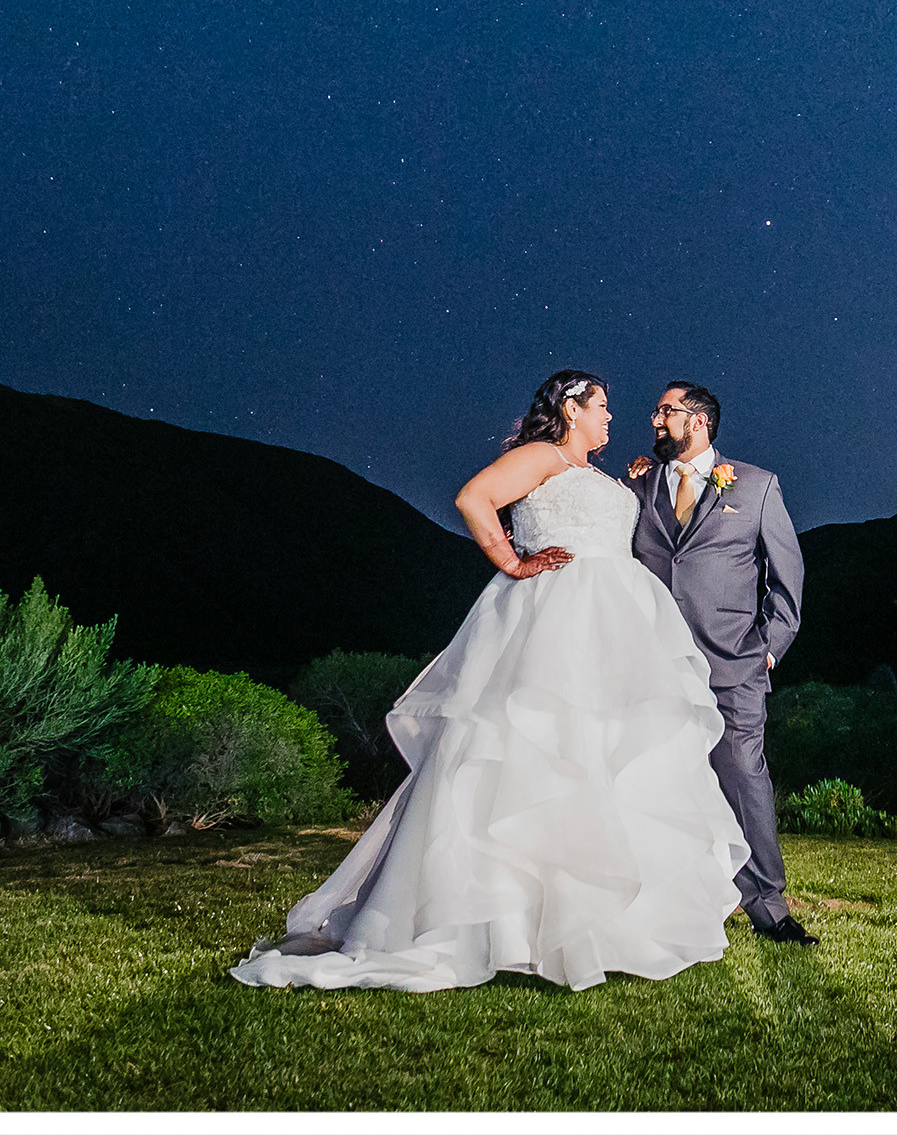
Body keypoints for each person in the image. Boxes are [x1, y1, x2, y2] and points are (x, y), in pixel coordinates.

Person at [228, 370, 750, 993]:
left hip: (615, 626)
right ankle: (500, 925)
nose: (613, 417)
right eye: (602, 407)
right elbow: (474, 498)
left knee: (599, 759)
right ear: (570, 409)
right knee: (525, 758)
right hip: (554, 616)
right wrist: (512, 560)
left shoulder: (604, 474)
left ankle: (600, 923)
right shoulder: (542, 454)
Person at [624, 383, 814, 945]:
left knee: (742, 774)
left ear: (700, 420)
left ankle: (768, 906)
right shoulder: (636, 484)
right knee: (650, 775)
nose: (655, 419)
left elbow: (787, 580)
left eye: (666, 411)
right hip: (650, 663)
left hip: (732, 663)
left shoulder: (756, 486)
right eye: (656, 411)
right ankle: (661, 898)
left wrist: (769, 650)